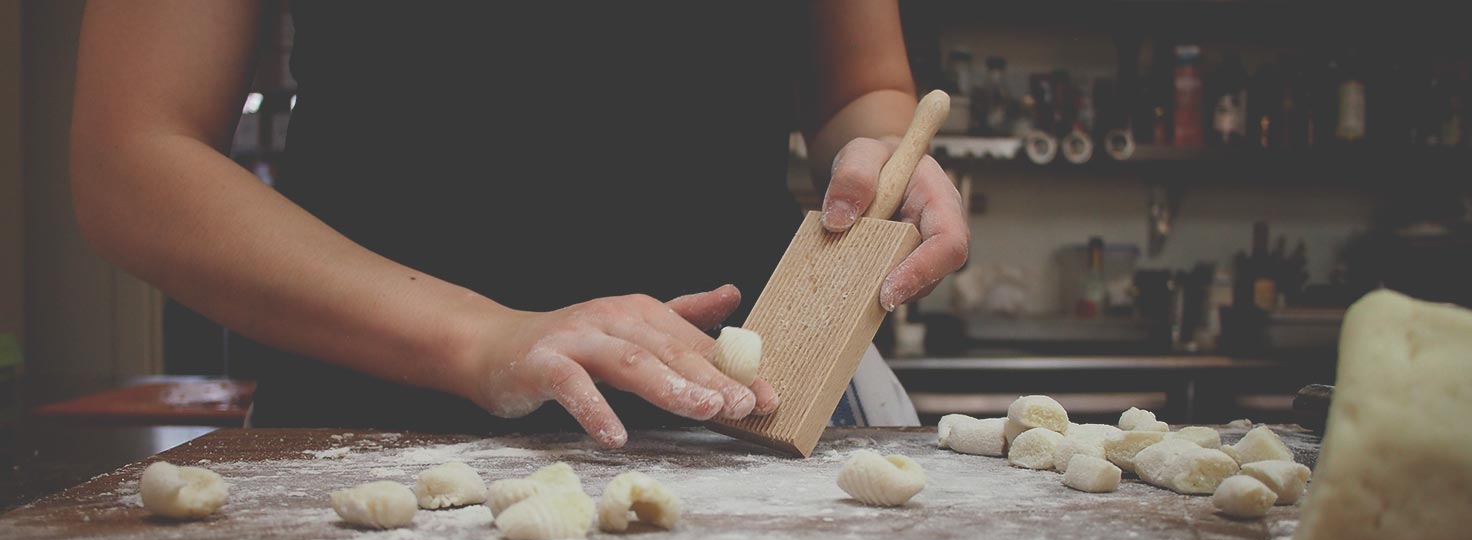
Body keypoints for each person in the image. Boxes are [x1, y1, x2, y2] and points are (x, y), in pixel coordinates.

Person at [70, 1, 970, 447]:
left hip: (739, 424)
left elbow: (858, 86)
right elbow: (134, 152)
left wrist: (882, 152)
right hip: (377, 430)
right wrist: (484, 338)